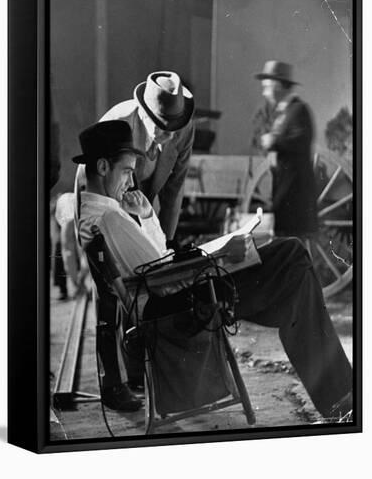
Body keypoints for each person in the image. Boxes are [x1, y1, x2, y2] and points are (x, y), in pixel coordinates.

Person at [75, 120, 352, 421]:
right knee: (292, 255)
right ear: (103, 168)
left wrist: (146, 217)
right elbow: (160, 276)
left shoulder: (99, 214)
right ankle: (341, 399)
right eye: (127, 171)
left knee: (295, 288)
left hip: (178, 296)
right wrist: (212, 258)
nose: (130, 182)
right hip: (182, 304)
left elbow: (156, 264)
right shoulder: (110, 219)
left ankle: (341, 400)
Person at [76, 70, 195, 243]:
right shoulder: (117, 125)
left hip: (143, 206)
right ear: (143, 114)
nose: (170, 136)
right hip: (108, 206)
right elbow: (93, 190)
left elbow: (174, 189)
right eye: (161, 126)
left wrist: (167, 244)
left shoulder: (184, 128)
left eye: (174, 128)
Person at [252, 61, 318, 239]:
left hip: (295, 193)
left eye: (267, 87)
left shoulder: (298, 110)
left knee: (292, 241)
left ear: (279, 85)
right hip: (285, 191)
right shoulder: (284, 112)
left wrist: (274, 140)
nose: (264, 92)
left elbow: (301, 140)